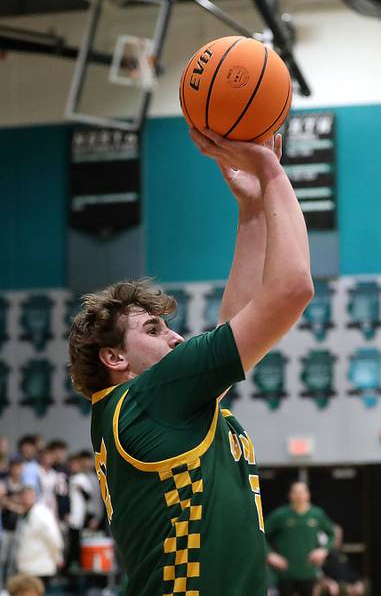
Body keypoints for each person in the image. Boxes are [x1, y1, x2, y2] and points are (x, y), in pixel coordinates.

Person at [66, 128, 313, 596]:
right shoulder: (148, 399)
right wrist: (272, 174)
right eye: (153, 330)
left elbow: (235, 324)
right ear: (114, 357)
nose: (176, 336)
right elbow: (292, 289)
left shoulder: (152, 409)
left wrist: (253, 209)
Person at [265, 481, 335, 596]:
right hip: (285, 572)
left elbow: (332, 534)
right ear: (289, 495)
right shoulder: (280, 515)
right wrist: (270, 554)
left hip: (308, 572)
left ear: (308, 494)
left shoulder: (317, 514)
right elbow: (261, 534)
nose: (299, 496)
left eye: (302, 492)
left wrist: (324, 550)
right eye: (295, 492)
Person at [14, 486, 63, 589]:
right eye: (23, 496)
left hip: (40, 569)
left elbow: (54, 539)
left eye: (28, 495)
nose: (25, 499)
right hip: (26, 568)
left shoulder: (41, 513)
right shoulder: (24, 514)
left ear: (34, 496)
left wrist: (57, 557)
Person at [320, 525, 365, 596]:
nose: (339, 538)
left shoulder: (343, 554)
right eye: (336, 536)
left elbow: (351, 572)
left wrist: (357, 582)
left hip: (348, 585)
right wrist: (328, 582)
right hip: (335, 586)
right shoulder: (322, 553)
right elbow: (319, 573)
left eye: (340, 535)